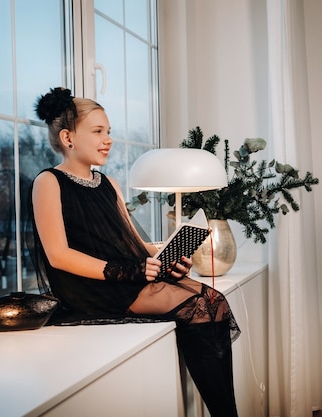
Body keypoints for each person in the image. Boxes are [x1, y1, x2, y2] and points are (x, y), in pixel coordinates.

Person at [28, 87, 240, 417]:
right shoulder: (49, 182)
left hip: (126, 275)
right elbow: (58, 255)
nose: (108, 139)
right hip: (92, 288)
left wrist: (169, 253)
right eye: (98, 131)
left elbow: (133, 242)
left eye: (108, 131)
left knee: (215, 302)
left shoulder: (108, 183)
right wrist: (129, 271)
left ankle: (225, 412)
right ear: (68, 138)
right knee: (201, 305)